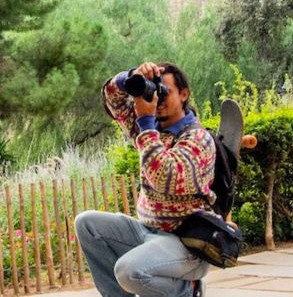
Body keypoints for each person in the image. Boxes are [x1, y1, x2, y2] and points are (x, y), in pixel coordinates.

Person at [75, 62, 215, 297]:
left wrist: (146, 125)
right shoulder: (152, 129)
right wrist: (132, 76)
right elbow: (113, 99)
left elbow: (164, 176)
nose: (157, 98)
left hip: (186, 244)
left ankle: (186, 290)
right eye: (155, 89)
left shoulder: (198, 139)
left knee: (129, 271)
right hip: (148, 231)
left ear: (184, 94)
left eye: (165, 91)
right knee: (87, 224)